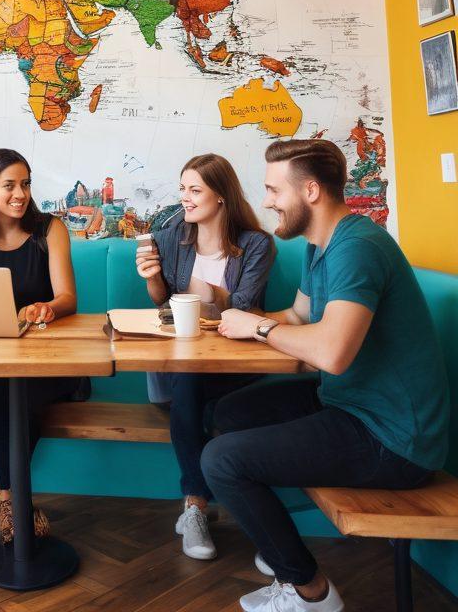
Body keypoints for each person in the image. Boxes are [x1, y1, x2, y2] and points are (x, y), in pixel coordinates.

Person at [202, 139, 450, 612]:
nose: (268, 200)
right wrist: (234, 325)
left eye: (275, 190)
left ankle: (311, 593)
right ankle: (279, 547)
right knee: (230, 412)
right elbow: (298, 315)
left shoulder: (357, 248)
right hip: (351, 401)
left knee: (221, 461)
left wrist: (258, 325)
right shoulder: (323, 243)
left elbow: (333, 353)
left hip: (395, 437)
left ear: (310, 191)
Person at [136, 153, 274, 561]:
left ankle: (196, 508)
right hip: (181, 370)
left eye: (195, 190)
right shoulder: (170, 237)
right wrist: (153, 279)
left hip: (234, 368)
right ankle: (198, 507)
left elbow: (244, 308)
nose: (185, 199)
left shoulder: (255, 245)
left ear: (222, 197)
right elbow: (163, 304)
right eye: (183, 189)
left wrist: (201, 289)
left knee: (193, 392)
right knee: (188, 382)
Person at [0, 148, 78, 544]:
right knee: (2, 388)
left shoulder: (50, 229)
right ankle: (13, 499)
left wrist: (48, 307)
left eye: (25, 184)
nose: (20, 193)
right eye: (9, 185)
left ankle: (7, 499)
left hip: (51, 359)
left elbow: (68, 298)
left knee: (12, 392)